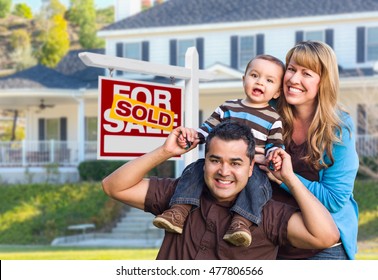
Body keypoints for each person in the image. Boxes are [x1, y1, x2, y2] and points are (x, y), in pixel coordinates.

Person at [102, 121, 340, 260]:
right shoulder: (179, 196)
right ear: (204, 162)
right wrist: (165, 152)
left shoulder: (267, 214)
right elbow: (113, 186)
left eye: (235, 163)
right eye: (215, 160)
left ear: (250, 169)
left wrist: (289, 178)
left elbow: (326, 236)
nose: (224, 171)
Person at [152, 54, 285, 247]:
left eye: (269, 80)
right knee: (195, 169)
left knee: (258, 183)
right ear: (244, 79)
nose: (260, 82)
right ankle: (179, 210)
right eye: (254, 75)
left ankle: (241, 223)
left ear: (277, 92)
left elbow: (275, 145)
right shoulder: (228, 107)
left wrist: (275, 157)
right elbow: (207, 129)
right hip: (221, 161)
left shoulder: (274, 118)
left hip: (251, 166)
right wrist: (192, 137)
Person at [262, 41, 359, 260]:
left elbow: (334, 199)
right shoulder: (267, 114)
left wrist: (285, 178)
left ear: (323, 82)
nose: (294, 79)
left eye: (307, 73)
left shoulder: (338, 128)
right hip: (271, 239)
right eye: (291, 69)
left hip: (323, 246)